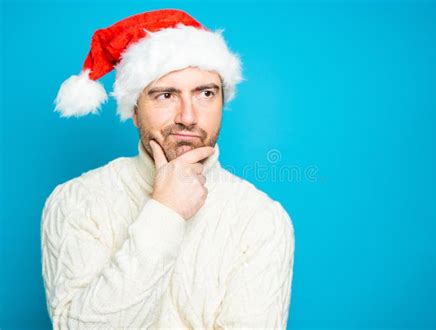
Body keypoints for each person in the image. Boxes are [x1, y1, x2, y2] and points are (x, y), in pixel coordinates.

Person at [41, 9, 295, 329]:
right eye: (166, 94)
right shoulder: (75, 201)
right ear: (135, 111)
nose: (188, 117)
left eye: (205, 93)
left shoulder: (261, 218)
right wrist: (165, 211)